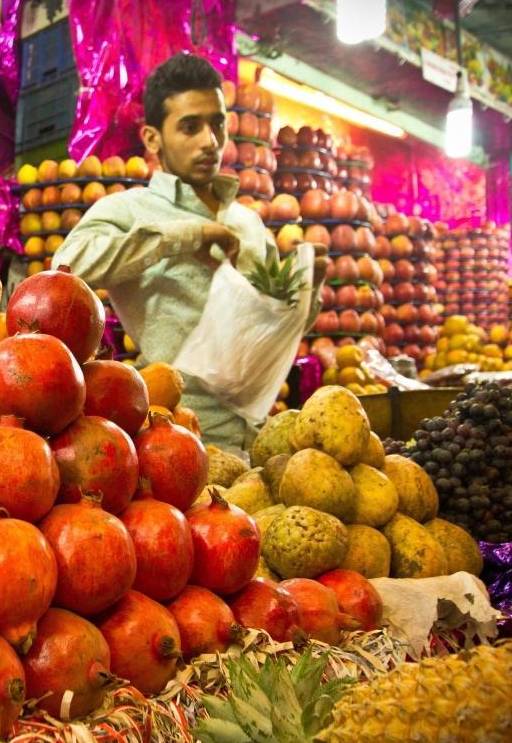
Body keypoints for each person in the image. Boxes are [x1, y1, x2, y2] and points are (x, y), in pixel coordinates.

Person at [56, 53, 325, 452]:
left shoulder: (249, 223)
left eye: (218, 124)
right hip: (175, 432)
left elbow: (278, 335)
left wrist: (306, 294)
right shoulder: (129, 209)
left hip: (259, 436)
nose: (210, 141)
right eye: (190, 127)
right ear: (152, 139)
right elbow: (66, 265)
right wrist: (186, 237)